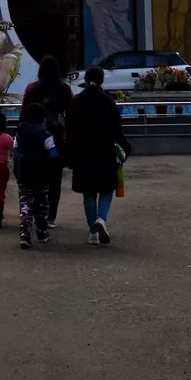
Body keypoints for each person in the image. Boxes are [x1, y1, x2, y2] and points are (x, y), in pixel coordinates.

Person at [66, 64, 129, 245]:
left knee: (89, 191)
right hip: (105, 151)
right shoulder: (108, 101)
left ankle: (93, 233)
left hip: (82, 152)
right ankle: (101, 218)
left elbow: (70, 129)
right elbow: (117, 129)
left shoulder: (76, 101)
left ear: (86, 80)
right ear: (102, 80)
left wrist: (69, 154)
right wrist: (125, 148)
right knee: (106, 188)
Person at [21, 55, 73, 227]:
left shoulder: (32, 89)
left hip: (34, 137)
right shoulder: (65, 89)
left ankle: (36, 213)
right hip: (56, 138)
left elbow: (23, 114)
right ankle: (51, 217)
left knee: (35, 177)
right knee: (55, 180)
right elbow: (71, 116)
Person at [13, 102, 58, 248]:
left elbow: (15, 152)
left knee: (25, 202)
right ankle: (42, 233)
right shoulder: (45, 133)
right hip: (41, 173)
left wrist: (17, 169)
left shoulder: (20, 132)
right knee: (41, 203)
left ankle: (25, 234)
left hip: (24, 171)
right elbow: (53, 154)